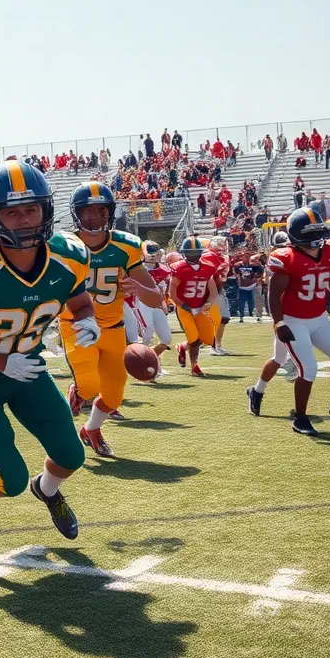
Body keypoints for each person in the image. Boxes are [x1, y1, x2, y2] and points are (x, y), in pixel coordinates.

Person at [0, 161, 98, 554]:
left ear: (46, 209)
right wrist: (0, 362)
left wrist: (87, 320)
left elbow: (79, 302)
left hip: (27, 367)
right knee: (8, 479)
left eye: (30, 209)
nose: (23, 220)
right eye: (11, 211)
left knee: (71, 454)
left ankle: (46, 490)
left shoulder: (69, 255)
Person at [61, 182, 162, 458]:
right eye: (88, 212)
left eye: (101, 211)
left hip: (113, 328)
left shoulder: (125, 246)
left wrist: (140, 290)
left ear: (110, 213)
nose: (94, 218)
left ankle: (91, 430)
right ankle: (79, 390)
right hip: (76, 325)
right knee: (90, 386)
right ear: (76, 214)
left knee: (115, 397)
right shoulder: (63, 246)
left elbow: (157, 299)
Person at [249, 207, 330, 436]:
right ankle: (300, 418)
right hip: (293, 320)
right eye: (310, 236)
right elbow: (273, 294)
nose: (316, 240)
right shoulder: (285, 258)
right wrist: (279, 324)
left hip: (318, 318)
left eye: (318, 233)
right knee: (307, 368)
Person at [171, 237, 218, 377]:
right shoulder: (179, 268)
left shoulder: (207, 267)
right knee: (194, 338)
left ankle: (183, 347)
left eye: (195, 252)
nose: (193, 255)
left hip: (200, 307)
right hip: (184, 307)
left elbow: (213, 290)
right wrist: (184, 306)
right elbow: (172, 293)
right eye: (190, 253)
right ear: (185, 253)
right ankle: (194, 366)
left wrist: (208, 303)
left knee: (209, 339)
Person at [137, 241, 173, 374]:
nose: (155, 254)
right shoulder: (138, 269)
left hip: (158, 304)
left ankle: (150, 361)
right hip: (142, 303)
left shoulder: (164, 269)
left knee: (166, 338)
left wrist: (167, 302)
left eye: (156, 250)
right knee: (146, 335)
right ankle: (143, 368)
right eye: (151, 251)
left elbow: (165, 290)